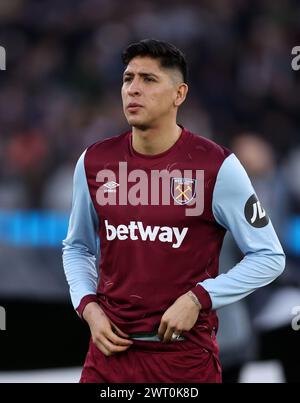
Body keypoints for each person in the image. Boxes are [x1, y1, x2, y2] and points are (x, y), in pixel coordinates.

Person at [62, 39, 285, 383]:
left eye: (148, 80)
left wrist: (199, 299)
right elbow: (77, 246)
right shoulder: (94, 161)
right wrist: (88, 307)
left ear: (179, 94)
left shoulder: (217, 166)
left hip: (184, 363)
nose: (133, 89)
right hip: (108, 361)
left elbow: (269, 256)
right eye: (127, 79)